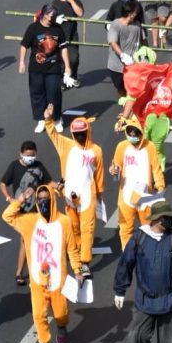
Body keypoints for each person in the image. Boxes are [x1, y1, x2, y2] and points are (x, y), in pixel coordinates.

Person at [3, 183, 83, 343]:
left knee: (61, 313)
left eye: (46, 199)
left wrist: (78, 270)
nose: (43, 203)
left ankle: (62, 327)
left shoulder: (64, 222)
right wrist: (20, 200)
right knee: (39, 315)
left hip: (58, 280)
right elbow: (6, 216)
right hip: (38, 281)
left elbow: (72, 249)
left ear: (52, 200)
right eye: (40, 200)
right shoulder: (30, 221)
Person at [113, 199, 172, 343]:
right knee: (138, 335)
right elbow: (126, 263)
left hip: (169, 299)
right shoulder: (139, 237)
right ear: (157, 219)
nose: (170, 220)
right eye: (167, 217)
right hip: (145, 299)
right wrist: (120, 290)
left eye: (171, 217)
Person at [44, 105, 104, 279]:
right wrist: (48, 119)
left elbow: (99, 174)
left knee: (87, 228)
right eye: (77, 133)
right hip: (69, 196)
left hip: (88, 197)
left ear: (88, 131)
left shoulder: (96, 151)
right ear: (72, 133)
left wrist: (100, 193)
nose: (80, 136)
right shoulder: (65, 145)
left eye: (83, 133)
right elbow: (53, 135)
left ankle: (84, 262)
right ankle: (76, 254)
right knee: (74, 228)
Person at [0, 141, 52, 285]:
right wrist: (9, 198)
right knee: (25, 240)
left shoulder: (39, 166)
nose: (31, 157)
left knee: (36, 240)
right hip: (22, 211)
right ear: (21, 154)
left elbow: (49, 182)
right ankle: (20, 272)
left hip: (38, 211)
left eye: (33, 155)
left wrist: (59, 186)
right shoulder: (14, 166)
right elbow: (3, 183)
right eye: (28, 155)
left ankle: (35, 271)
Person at [110, 121, 165, 249]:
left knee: (149, 229)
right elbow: (115, 165)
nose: (132, 137)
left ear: (141, 134)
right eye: (130, 134)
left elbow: (156, 169)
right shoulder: (121, 146)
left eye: (135, 134)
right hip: (125, 197)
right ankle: (127, 256)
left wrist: (160, 188)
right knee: (125, 230)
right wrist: (113, 170)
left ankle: (148, 255)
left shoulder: (150, 147)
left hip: (145, 198)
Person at [19, 4, 74, 134]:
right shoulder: (33, 28)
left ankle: (56, 118)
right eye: (49, 15)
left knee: (54, 93)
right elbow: (23, 46)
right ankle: (41, 119)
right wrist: (22, 62)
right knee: (37, 94)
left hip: (54, 68)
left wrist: (67, 67)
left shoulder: (58, 29)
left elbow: (63, 48)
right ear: (43, 14)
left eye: (53, 15)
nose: (51, 18)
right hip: (36, 69)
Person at [108, 1, 146, 97]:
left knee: (132, 90)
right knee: (122, 90)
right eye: (134, 12)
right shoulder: (116, 25)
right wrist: (122, 55)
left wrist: (145, 55)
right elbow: (113, 42)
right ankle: (125, 108)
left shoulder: (137, 25)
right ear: (129, 13)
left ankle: (128, 111)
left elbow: (144, 41)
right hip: (117, 67)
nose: (136, 14)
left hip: (133, 65)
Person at [54, 0, 84, 88]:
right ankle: (63, 80)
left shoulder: (76, 2)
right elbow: (48, 16)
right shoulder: (55, 3)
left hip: (72, 36)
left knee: (74, 58)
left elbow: (80, 13)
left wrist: (71, 1)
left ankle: (73, 76)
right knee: (60, 60)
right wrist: (55, 19)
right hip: (58, 37)